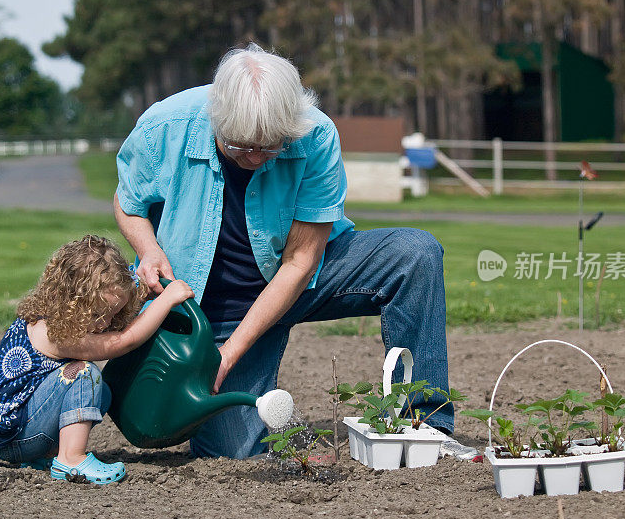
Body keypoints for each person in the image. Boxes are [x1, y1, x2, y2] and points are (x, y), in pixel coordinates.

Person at [115, 43, 474, 460]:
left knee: (415, 254)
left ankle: (425, 423)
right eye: (240, 145)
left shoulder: (314, 135)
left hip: (302, 275)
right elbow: (128, 204)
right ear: (218, 117)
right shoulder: (164, 127)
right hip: (214, 305)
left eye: (270, 147)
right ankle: (274, 421)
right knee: (235, 449)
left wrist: (229, 355)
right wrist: (149, 248)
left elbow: (300, 263)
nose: (253, 157)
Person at [0, 235, 194, 484]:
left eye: (111, 314)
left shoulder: (59, 317)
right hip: (15, 437)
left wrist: (144, 294)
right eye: (97, 314)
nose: (105, 323)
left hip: (22, 429)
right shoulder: (55, 334)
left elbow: (116, 325)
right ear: (70, 302)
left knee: (101, 392)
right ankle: (71, 458)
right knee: (84, 373)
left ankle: (47, 455)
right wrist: (166, 301)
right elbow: (123, 341)